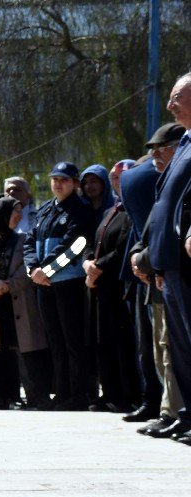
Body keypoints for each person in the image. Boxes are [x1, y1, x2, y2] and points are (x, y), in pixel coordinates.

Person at [23, 161, 97, 411]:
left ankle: (78, 394)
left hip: (68, 284)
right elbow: (29, 242)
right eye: (55, 178)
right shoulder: (44, 210)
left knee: (73, 341)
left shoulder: (80, 210)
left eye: (64, 180)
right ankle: (61, 392)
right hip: (43, 284)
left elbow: (74, 246)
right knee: (55, 341)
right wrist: (33, 269)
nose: (58, 183)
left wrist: (47, 270)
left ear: (75, 184)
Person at [126, 123, 184, 435]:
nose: (155, 156)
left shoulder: (178, 181)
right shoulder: (164, 183)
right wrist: (139, 257)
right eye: (153, 150)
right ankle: (170, 412)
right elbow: (148, 231)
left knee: (173, 349)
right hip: (156, 276)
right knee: (161, 349)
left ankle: (176, 412)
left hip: (171, 275)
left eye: (162, 149)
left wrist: (147, 261)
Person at [0, 197, 50, 410]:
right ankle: (2, 396)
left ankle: (24, 395)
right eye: (16, 212)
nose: (20, 216)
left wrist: (10, 285)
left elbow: (27, 268)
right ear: (3, 214)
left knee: (20, 348)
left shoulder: (22, 240)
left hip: (17, 303)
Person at [144, 73, 191, 443]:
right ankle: (187, 414)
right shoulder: (185, 142)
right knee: (179, 347)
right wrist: (156, 262)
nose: (170, 104)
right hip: (170, 263)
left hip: (186, 260)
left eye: (177, 97)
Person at [84, 160, 139, 413]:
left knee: (122, 342)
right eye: (115, 178)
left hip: (118, 285)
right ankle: (110, 392)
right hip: (100, 287)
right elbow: (94, 243)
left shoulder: (133, 209)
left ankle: (128, 395)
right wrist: (87, 264)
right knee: (102, 341)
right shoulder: (111, 210)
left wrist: (99, 267)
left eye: (122, 178)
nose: (118, 182)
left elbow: (124, 246)